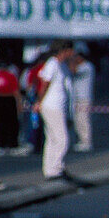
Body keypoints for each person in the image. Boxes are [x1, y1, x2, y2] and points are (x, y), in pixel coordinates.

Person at [35, 41, 75, 180]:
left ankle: (50, 169)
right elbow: (44, 83)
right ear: (64, 50)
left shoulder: (62, 65)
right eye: (71, 50)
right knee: (62, 139)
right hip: (52, 106)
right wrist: (39, 101)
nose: (73, 54)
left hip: (59, 106)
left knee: (52, 138)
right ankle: (56, 167)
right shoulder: (52, 63)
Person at [69, 48, 95, 152]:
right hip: (76, 98)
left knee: (84, 120)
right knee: (77, 120)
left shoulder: (87, 66)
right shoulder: (81, 66)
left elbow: (73, 71)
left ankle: (87, 141)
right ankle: (82, 140)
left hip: (84, 98)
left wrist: (71, 62)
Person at [0, 53, 22, 154]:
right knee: (1, 123)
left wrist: (19, 103)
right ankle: (2, 144)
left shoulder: (11, 76)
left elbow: (15, 90)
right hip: (0, 99)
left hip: (8, 99)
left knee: (11, 123)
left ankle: (11, 144)